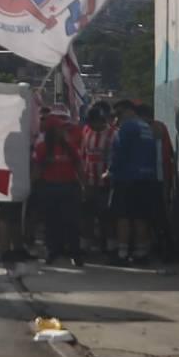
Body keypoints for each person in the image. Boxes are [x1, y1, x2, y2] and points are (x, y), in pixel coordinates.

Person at [106, 100, 159, 265]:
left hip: (126, 180)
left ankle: (122, 254)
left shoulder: (127, 128)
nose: (118, 118)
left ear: (128, 112)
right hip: (146, 180)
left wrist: (110, 172)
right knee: (140, 218)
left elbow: (118, 154)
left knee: (123, 217)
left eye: (119, 114)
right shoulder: (146, 128)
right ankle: (141, 253)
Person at [33, 115, 85, 266]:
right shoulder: (42, 147)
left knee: (72, 222)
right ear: (52, 130)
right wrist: (31, 185)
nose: (63, 131)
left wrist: (84, 184)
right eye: (59, 128)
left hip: (69, 188)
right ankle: (53, 251)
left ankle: (75, 253)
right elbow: (36, 169)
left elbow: (79, 166)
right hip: (49, 188)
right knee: (51, 222)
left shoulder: (70, 146)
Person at [136, 103, 175, 260]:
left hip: (152, 178)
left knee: (153, 214)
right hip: (161, 177)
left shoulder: (146, 129)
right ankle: (163, 247)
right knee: (160, 213)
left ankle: (163, 246)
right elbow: (170, 153)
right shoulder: (161, 127)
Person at [80, 108, 114, 253]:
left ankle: (108, 246)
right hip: (89, 182)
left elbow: (115, 158)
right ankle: (86, 244)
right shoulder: (86, 131)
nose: (92, 126)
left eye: (94, 123)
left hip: (106, 184)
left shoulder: (113, 134)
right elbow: (83, 155)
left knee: (105, 216)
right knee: (87, 214)